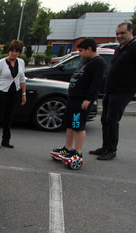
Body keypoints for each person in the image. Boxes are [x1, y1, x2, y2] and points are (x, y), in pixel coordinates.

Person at [89, 22, 136, 160]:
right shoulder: (120, 48)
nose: (119, 36)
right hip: (111, 89)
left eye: (122, 33)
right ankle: (105, 147)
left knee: (112, 120)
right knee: (105, 119)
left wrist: (134, 80)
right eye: (117, 34)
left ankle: (111, 150)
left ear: (130, 31)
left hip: (123, 90)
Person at [51, 38, 106, 166]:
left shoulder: (98, 63)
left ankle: (78, 151)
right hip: (73, 98)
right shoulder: (85, 61)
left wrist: (89, 99)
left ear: (89, 49)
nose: (79, 53)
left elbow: (96, 83)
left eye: (81, 51)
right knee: (70, 124)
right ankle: (68, 147)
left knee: (78, 125)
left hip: (82, 100)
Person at [0, 40, 27, 149]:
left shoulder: (21, 62)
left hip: (14, 92)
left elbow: (22, 78)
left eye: (16, 51)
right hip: (2, 92)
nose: (13, 53)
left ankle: (6, 140)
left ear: (19, 52)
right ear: (9, 51)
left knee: (9, 117)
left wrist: (24, 93)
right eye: (12, 51)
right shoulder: (1, 63)